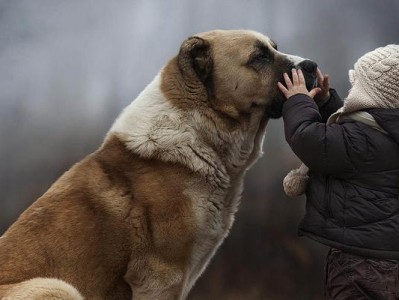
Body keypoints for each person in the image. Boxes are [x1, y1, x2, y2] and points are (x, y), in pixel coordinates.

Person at [277, 45, 399, 299]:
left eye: (358, 85)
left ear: (373, 94)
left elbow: (309, 139)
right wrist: (325, 103)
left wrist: (298, 100)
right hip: (388, 258)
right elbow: (345, 136)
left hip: (359, 263)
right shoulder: (384, 133)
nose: (353, 91)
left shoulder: (361, 140)